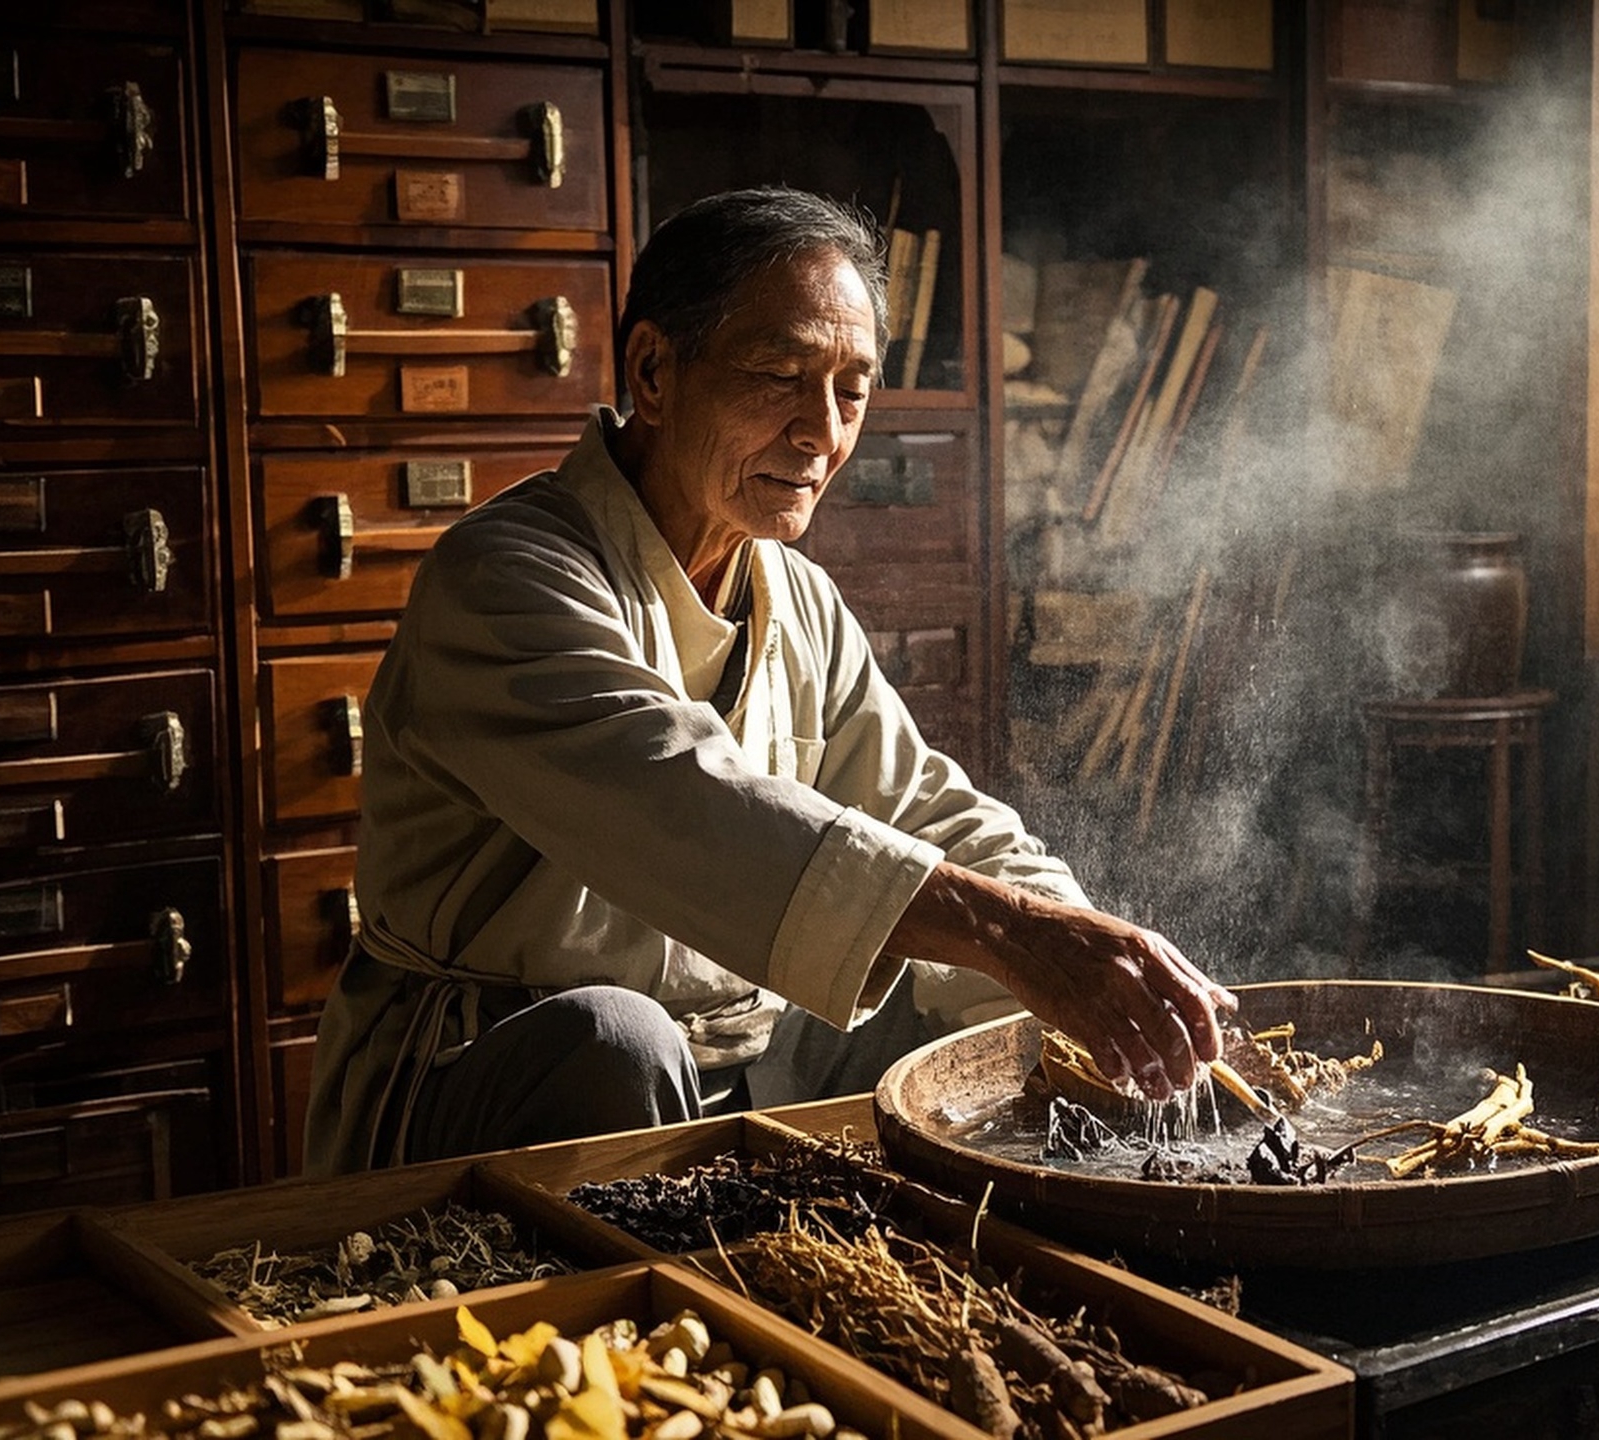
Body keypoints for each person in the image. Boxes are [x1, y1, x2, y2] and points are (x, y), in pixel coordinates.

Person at [304, 186, 1235, 1175]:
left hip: (736, 1056)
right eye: (779, 376)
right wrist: (1015, 935)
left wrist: (1096, 968)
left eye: (852, 391)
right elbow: (686, 805)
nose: (820, 433)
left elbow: (925, 810)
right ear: (654, 372)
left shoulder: (795, 596)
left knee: (974, 1042)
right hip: (502, 1071)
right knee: (619, 1037)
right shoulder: (507, 577)